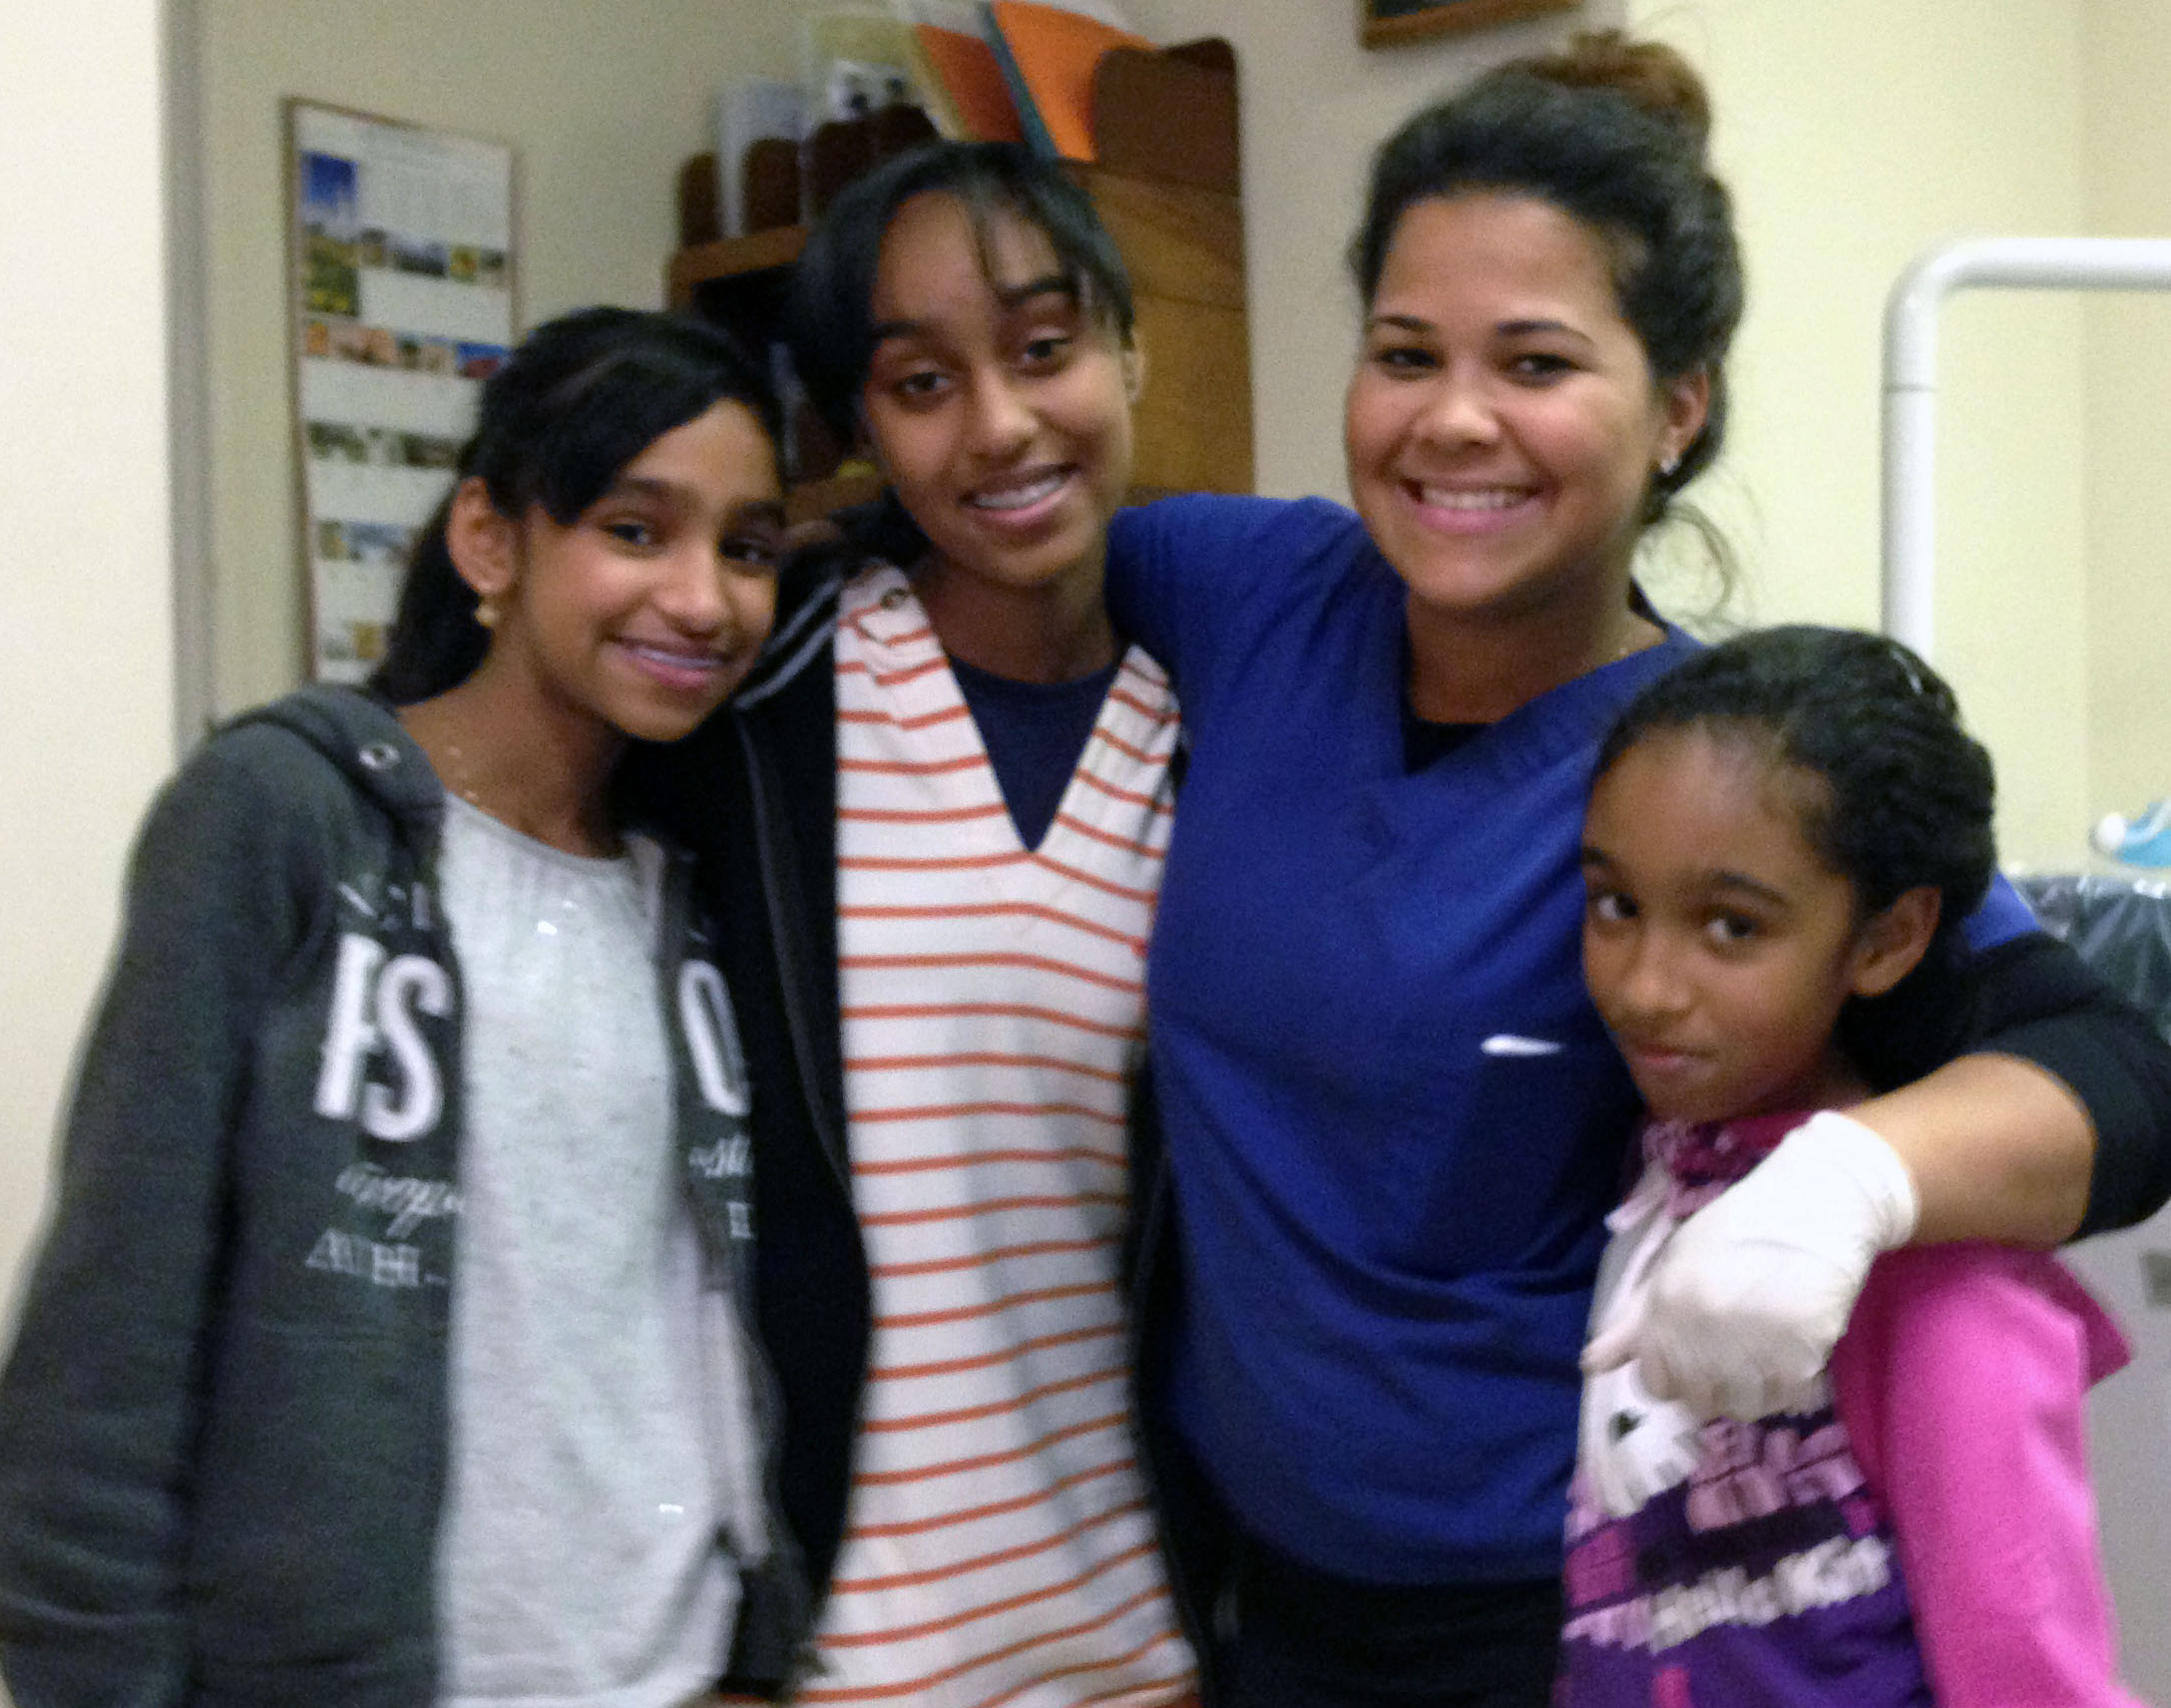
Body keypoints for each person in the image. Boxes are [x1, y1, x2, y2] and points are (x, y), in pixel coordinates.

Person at [1097, 32, 2171, 1708]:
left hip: (1564, 1619)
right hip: (1241, 1593)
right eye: (1401, 354)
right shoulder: (1243, 590)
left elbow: (2109, 1075)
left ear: (1676, 406)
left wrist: (1845, 1184)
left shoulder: (1716, 778)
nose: (1451, 421)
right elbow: (963, 564)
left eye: (1532, 363)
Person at [0, 307, 810, 1707]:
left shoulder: (698, 886)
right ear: (490, 539)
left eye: (744, 548)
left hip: (677, 1671)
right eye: (633, 528)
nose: (700, 599)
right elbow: (100, 1363)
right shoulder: (284, 817)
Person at [688, 144, 1197, 1706]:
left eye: (1044, 351)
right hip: (843, 1650)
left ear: (1129, 346)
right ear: (859, 427)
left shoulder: (1228, 731)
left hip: (1148, 1642)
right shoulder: (759, 711)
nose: (999, 426)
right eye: (921, 383)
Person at [1564, 625, 2145, 1706]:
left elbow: (2024, 1659)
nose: (1644, 985)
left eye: (1731, 925)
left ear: (1885, 938)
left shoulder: (1932, 1263)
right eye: (1615, 905)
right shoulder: (1665, 1160)